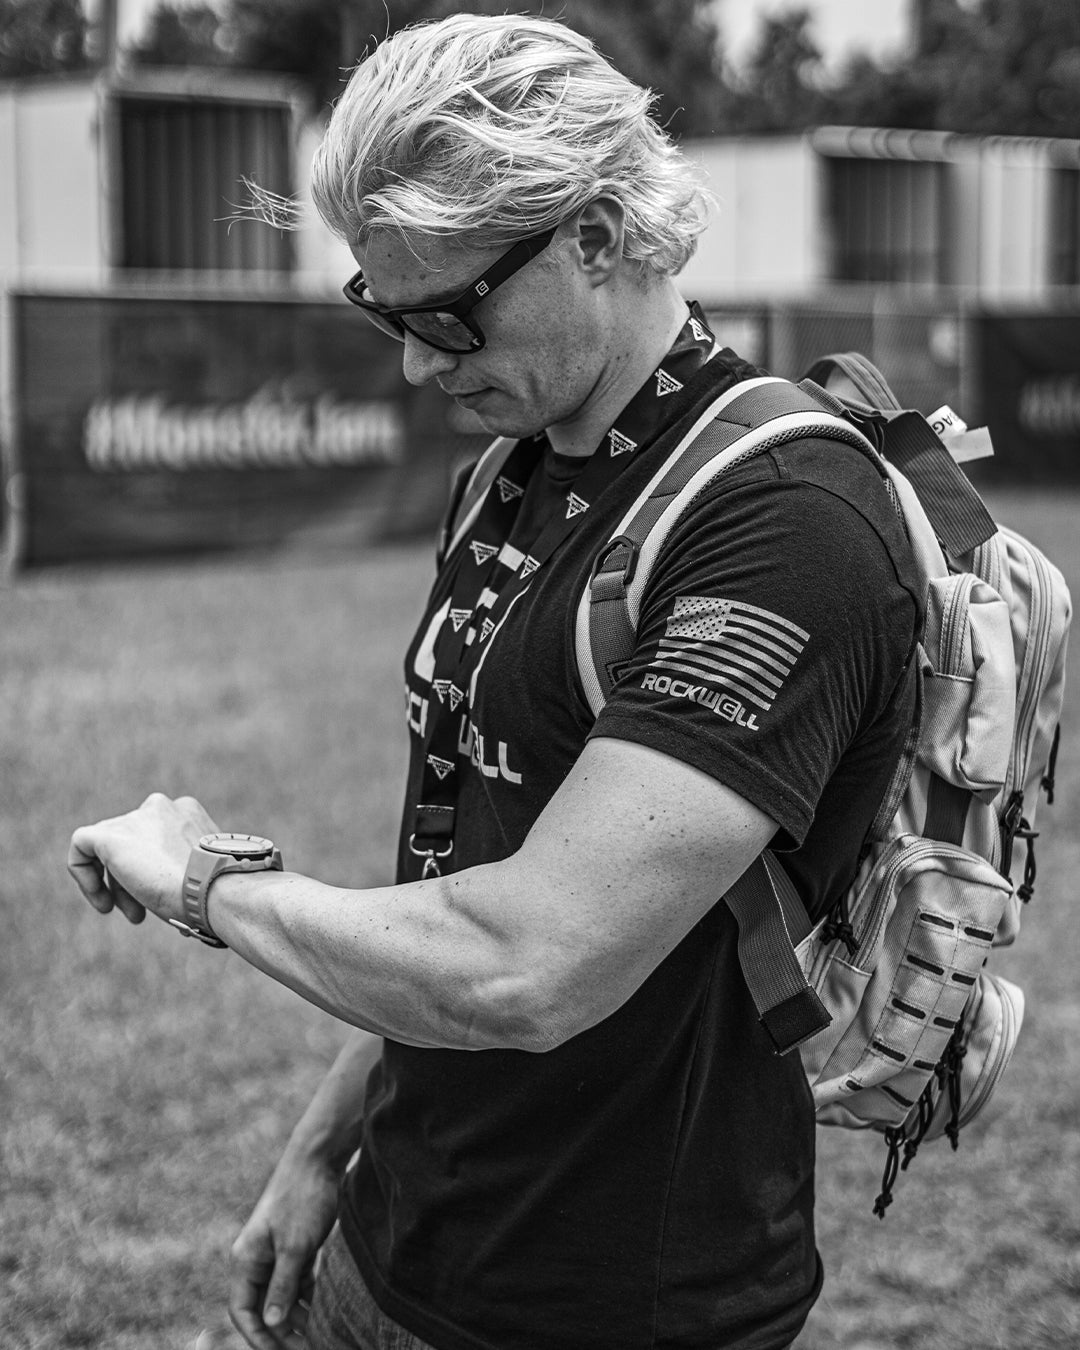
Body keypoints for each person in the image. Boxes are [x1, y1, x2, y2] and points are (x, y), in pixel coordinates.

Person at [68, 15, 921, 1350]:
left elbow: (530, 959)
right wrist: (327, 1148)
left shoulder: (785, 518)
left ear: (597, 236)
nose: (417, 363)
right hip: (395, 1237)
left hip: (615, 1301)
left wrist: (203, 880)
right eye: (384, 313)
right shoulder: (505, 469)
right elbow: (458, 871)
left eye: (447, 316)